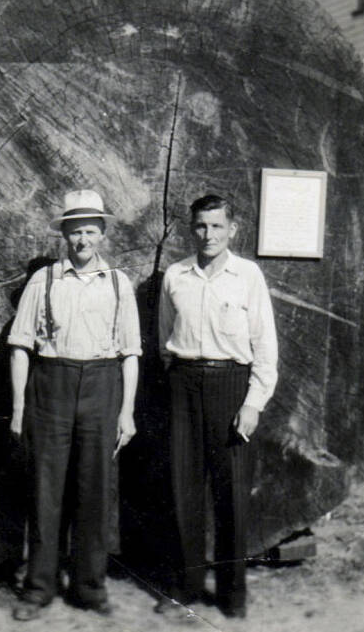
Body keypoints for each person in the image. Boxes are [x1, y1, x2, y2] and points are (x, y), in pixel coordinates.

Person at [7, 189, 142, 621]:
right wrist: (17, 408)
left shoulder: (119, 284)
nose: (82, 240)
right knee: (46, 490)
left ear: (101, 234)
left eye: (89, 231)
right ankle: (39, 587)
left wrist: (126, 411)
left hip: (102, 388)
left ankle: (90, 586)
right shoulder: (43, 281)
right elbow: (20, 347)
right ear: (63, 235)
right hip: (51, 387)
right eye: (74, 232)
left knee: (94, 490)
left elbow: (131, 353)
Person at [156, 193, 278, 620]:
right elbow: (164, 338)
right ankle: (187, 587)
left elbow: (265, 345)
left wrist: (253, 404)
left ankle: (232, 594)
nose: (208, 235)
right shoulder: (176, 275)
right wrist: (179, 378)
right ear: (192, 229)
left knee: (231, 494)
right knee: (182, 488)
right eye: (201, 226)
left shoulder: (248, 276)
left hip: (231, 386)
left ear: (233, 230)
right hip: (184, 383)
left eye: (217, 226)